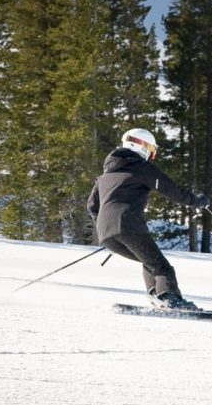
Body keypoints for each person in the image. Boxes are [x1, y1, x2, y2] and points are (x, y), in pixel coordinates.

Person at [87, 128, 204, 311]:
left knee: (150, 262)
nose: (151, 153)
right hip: (128, 224)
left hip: (106, 234)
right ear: (140, 145)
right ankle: (171, 299)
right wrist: (197, 201)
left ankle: (156, 295)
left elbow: (92, 206)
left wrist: (108, 226)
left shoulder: (105, 176)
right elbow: (170, 188)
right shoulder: (141, 167)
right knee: (161, 265)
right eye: (150, 148)